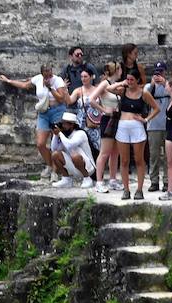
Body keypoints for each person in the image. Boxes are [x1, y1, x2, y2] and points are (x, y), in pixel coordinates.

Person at [0, 65, 69, 179]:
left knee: (55, 143)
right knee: (40, 144)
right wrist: (8, 80)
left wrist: (50, 87)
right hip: (43, 112)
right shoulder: (38, 79)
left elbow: (61, 98)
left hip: (57, 111)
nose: (49, 73)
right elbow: (25, 85)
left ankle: (55, 172)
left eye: (50, 71)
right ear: (42, 73)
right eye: (46, 71)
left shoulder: (57, 80)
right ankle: (50, 165)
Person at [113, 70, 160, 200]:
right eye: (127, 79)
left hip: (137, 126)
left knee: (139, 159)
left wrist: (146, 119)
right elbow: (108, 88)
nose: (129, 82)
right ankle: (126, 189)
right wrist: (122, 82)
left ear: (137, 80)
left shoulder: (143, 93)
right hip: (123, 126)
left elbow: (156, 108)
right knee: (124, 160)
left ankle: (139, 189)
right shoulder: (123, 91)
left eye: (131, 80)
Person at [93, 62, 123, 192]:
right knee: (104, 152)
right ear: (116, 70)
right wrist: (103, 110)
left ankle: (112, 179)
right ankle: (99, 182)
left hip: (117, 118)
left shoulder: (114, 85)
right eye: (119, 68)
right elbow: (91, 99)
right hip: (108, 119)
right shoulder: (105, 84)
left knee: (115, 152)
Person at [145, 63, 172, 193]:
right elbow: (144, 98)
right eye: (156, 73)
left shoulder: (169, 85)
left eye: (160, 72)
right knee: (154, 156)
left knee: (168, 156)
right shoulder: (148, 87)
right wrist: (152, 84)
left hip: (167, 124)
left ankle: (167, 182)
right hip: (154, 125)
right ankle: (154, 181)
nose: (158, 75)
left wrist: (164, 83)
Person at [49, 113, 96, 188]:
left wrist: (60, 134)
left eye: (65, 124)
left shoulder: (80, 133)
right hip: (74, 167)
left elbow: (69, 145)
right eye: (62, 123)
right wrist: (55, 135)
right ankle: (66, 180)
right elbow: (54, 148)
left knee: (75, 155)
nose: (63, 126)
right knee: (55, 154)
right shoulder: (64, 135)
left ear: (72, 125)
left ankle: (87, 179)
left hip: (88, 168)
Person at [67, 67, 106, 158]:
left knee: (97, 144)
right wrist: (64, 89)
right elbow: (69, 101)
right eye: (82, 77)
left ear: (91, 77)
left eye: (85, 76)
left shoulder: (98, 90)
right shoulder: (78, 91)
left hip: (95, 122)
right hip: (82, 122)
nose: (83, 79)